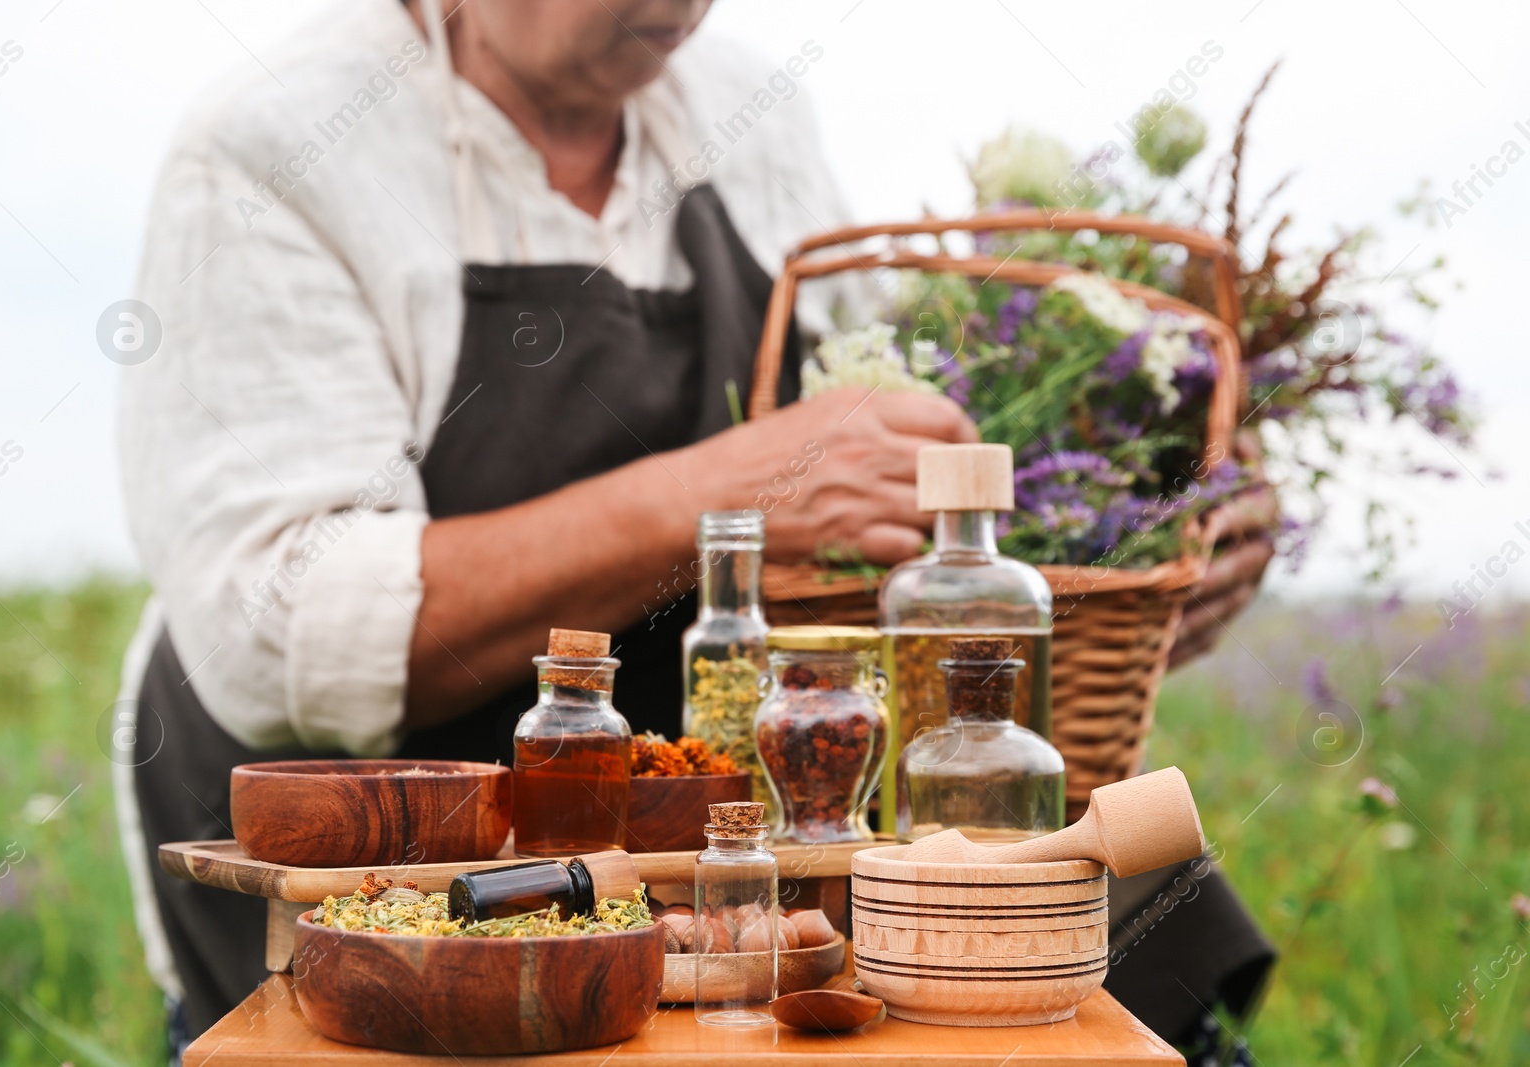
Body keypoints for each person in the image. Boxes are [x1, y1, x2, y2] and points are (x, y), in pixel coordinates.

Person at [113, 0, 975, 1048]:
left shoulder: (752, 109)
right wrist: (716, 497)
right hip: (387, 866)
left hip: (689, 849)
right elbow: (276, 619)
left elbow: (883, 436)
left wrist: (1114, 531)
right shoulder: (278, 145)